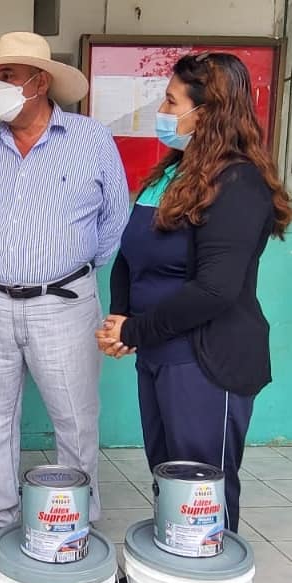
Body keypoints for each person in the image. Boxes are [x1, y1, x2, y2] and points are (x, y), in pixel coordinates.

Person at [97, 53, 289, 539]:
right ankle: (171, 568)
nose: (161, 112)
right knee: (168, 476)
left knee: (202, 487)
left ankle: (207, 577)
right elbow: (130, 254)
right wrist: (121, 317)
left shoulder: (238, 183)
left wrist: (135, 329)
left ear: (206, 113)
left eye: (170, 102)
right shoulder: (172, 174)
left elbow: (215, 290)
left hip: (205, 360)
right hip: (158, 353)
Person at [0, 31, 130, 547]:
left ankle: (75, 512)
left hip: (65, 302)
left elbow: (115, 218)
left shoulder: (90, 139)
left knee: (74, 418)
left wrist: (71, 271)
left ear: (40, 82)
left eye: (6, 75)